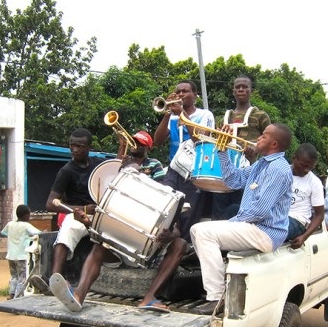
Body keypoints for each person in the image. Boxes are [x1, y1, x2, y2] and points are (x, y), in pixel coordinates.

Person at [51, 138, 188, 313]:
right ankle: (78, 295)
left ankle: (149, 298)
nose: (133, 179)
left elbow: (177, 230)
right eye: (127, 176)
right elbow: (101, 229)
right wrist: (86, 222)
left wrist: (171, 235)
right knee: (100, 246)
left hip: (150, 253)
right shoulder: (115, 200)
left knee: (180, 244)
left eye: (136, 175)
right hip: (121, 252)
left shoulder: (159, 201)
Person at [189, 123, 293, 314]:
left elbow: (260, 211)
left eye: (264, 135)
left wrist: (233, 222)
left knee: (204, 233)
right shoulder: (261, 164)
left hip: (265, 231)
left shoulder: (278, 169)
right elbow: (233, 180)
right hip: (252, 226)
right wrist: (222, 150)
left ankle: (217, 296)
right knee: (197, 230)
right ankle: (217, 289)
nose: (259, 137)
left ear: (274, 143)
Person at [153, 80, 215, 240]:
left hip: (194, 170)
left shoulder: (205, 115)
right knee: (165, 204)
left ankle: (184, 246)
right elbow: (157, 141)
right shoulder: (172, 118)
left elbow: (199, 139)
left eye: (185, 91)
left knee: (188, 212)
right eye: (178, 91)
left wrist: (182, 114)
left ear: (195, 95)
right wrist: (167, 114)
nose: (180, 94)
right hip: (174, 169)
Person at [43, 128, 104, 287]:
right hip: (78, 215)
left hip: (101, 215)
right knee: (66, 232)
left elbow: (115, 168)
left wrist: (122, 146)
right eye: (72, 145)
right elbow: (50, 203)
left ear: (89, 148)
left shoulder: (98, 164)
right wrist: (83, 209)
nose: (74, 149)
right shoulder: (66, 171)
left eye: (80, 146)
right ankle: (55, 280)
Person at [212, 75, 271, 220]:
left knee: (240, 211)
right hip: (223, 172)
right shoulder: (224, 118)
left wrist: (255, 150)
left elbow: (270, 141)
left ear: (251, 91)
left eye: (245, 87)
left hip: (249, 170)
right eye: (237, 87)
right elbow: (216, 142)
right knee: (220, 213)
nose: (241, 89)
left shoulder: (260, 115)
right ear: (233, 91)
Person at [287, 144, 325, 249]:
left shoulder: (315, 182)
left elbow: (319, 215)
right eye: (303, 165)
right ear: (294, 158)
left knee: (274, 229)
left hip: (298, 221)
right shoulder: (281, 173)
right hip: (276, 216)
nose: (306, 170)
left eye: (310, 167)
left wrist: (304, 237)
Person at [1, 205, 42, 299]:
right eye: (29, 215)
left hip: (11, 256)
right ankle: (17, 297)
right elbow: (39, 233)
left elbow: (3, 233)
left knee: (14, 276)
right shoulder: (26, 225)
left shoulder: (10, 224)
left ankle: (11, 294)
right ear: (25, 215)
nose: (29, 217)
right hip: (21, 256)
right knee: (22, 278)